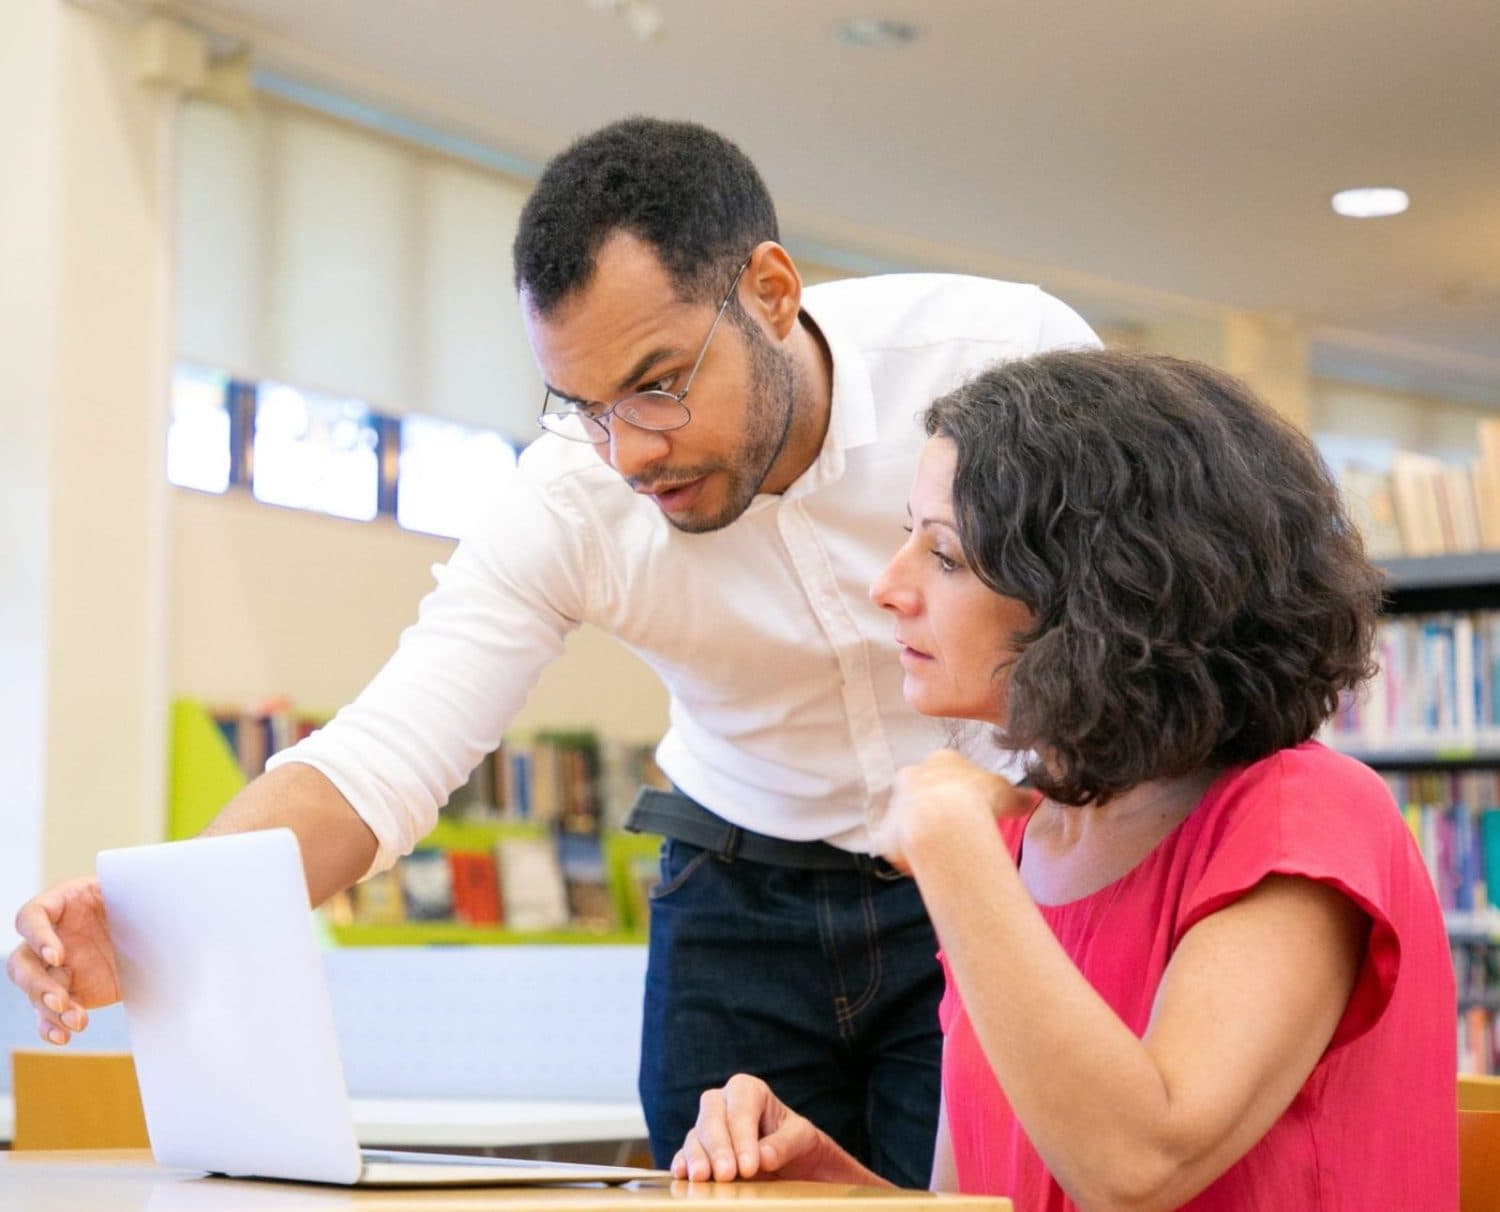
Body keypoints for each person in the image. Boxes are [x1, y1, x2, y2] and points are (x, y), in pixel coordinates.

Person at [6, 117, 1098, 1184]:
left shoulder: (1001, 366)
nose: (630, 453)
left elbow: (1144, 628)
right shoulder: (572, 499)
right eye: (584, 406)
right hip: (734, 889)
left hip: (988, 863)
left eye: (658, 384)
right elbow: (383, 754)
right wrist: (163, 918)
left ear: (770, 292)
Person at [674, 350, 1457, 1209]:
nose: (888, 586)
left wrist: (948, 841)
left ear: (1097, 597)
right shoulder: (1012, 841)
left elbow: (1138, 1168)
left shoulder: (1307, 815)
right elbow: (980, 1197)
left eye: (945, 555)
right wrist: (831, 1186)